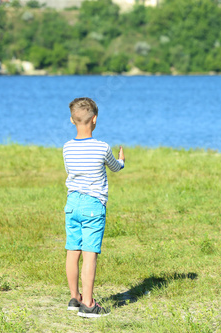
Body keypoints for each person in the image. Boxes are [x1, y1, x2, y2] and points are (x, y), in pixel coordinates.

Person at [63, 97, 125, 317]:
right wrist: (122, 161)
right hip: (93, 205)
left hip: (72, 204)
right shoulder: (102, 147)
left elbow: (70, 171)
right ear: (95, 119)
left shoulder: (67, 148)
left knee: (73, 250)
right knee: (90, 253)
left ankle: (74, 298)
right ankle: (89, 305)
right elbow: (115, 168)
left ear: (72, 120)